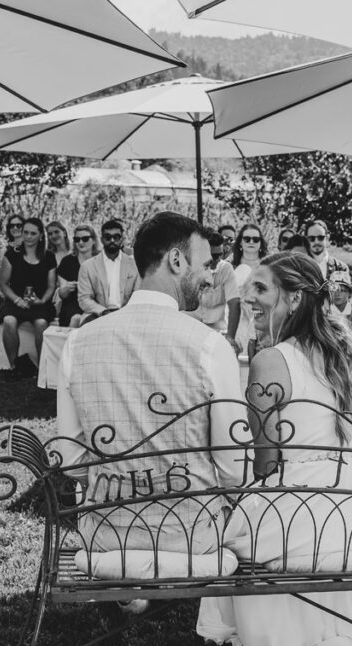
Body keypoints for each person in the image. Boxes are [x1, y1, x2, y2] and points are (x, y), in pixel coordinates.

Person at [196, 251, 352, 646]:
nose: (248, 297)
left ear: (294, 298)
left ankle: (287, 632)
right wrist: (347, 463)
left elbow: (265, 464)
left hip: (302, 518)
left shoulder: (270, 361)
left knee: (235, 525)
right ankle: (351, 622)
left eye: (261, 288)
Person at [57, 211, 244, 564]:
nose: (209, 277)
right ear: (176, 260)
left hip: (105, 536)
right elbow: (236, 468)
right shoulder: (209, 346)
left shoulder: (78, 343)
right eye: (206, 265)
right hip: (192, 538)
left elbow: (71, 462)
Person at [0, 217, 56, 372]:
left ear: (41, 235)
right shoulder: (12, 255)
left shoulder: (48, 257)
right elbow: (3, 284)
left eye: (33, 233)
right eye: (26, 232)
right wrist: (17, 300)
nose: (28, 237)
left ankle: (42, 369)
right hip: (15, 302)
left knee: (41, 324)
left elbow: (51, 286)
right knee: (9, 320)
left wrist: (42, 300)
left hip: (39, 304)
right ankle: (13, 366)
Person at [186, 231, 241, 352]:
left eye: (220, 255)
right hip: (190, 331)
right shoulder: (188, 268)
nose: (218, 259)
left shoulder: (225, 268)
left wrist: (230, 337)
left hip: (216, 332)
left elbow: (234, 302)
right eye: (214, 256)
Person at [78, 218, 138, 322]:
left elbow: (137, 294)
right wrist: (104, 312)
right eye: (108, 237)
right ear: (101, 239)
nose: (112, 240)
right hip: (97, 314)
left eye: (116, 237)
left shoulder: (134, 265)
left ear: (122, 239)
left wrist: (124, 313)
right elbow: (84, 299)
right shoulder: (88, 266)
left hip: (127, 314)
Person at [231, 222, 267, 361]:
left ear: (261, 243)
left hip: (261, 321)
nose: (251, 242)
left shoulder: (268, 266)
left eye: (255, 239)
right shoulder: (230, 266)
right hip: (236, 321)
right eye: (247, 239)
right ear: (240, 242)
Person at [56, 224, 100, 328]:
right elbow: (62, 294)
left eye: (85, 239)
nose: (80, 242)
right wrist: (66, 288)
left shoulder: (101, 260)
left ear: (94, 240)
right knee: (76, 318)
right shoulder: (67, 261)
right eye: (77, 239)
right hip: (73, 303)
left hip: (96, 302)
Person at [328, 265, 352, 336]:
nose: (337, 294)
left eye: (342, 290)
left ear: (349, 293)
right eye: (334, 290)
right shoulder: (326, 310)